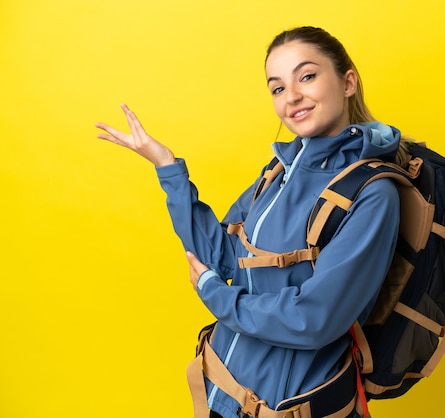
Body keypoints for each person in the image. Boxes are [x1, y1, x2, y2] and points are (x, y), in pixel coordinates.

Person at [96, 26, 407, 418]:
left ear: (347, 82)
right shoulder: (280, 170)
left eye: (306, 76)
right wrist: (167, 168)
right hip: (221, 395)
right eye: (277, 88)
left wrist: (215, 295)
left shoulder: (372, 193)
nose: (291, 97)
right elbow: (222, 257)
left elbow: (314, 319)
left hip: (289, 405)